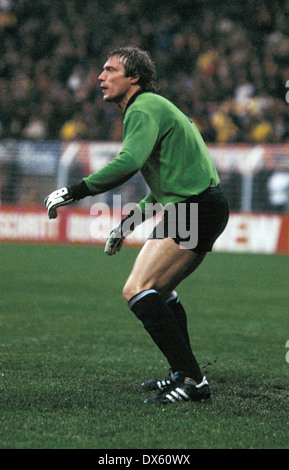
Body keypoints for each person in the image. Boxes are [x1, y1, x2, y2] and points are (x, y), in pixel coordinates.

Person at [44, 46, 229, 405]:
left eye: (110, 70)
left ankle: (192, 379)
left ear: (134, 78)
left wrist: (75, 190)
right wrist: (128, 223)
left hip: (194, 207)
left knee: (138, 288)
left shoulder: (142, 107)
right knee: (157, 290)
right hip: (200, 204)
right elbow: (165, 186)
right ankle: (183, 374)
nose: (101, 77)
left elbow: (128, 162)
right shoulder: (155, 108)